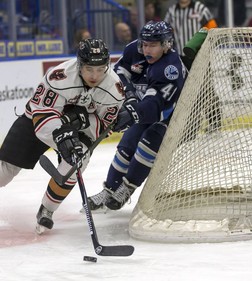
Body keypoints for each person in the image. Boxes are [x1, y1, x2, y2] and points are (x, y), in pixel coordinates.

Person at [0, 38, 125, 232]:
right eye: (89, 69)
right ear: (79, 64)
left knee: (78, 161)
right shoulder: (59, 77)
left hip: (80, 130)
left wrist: (80, 124)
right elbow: (42, 114)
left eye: (100, 69)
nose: (95, 75)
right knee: (5, 171)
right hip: (38, 122)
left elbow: (103, 126)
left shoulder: (114, 90)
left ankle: (47, 210)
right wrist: (62, 134)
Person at [86, 20, 187, 211]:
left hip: (172, 116)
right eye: (145, 44)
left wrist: (131, 112)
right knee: (127, 145)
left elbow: (155, 106)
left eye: (153, 45)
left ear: (166, 45)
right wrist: (130, 96)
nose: (146, 49)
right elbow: (119, 72)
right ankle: (109, 190)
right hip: (144, 108)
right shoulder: (135, 49)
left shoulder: (169, 68)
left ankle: (127, 188)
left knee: (148, 143)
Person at [164, 0, 217, 69]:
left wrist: (207, 48)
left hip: (199, 55)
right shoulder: (172, 11)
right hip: (180, 57)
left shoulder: (200, 8)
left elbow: (213, 30)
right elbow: (166, 33)